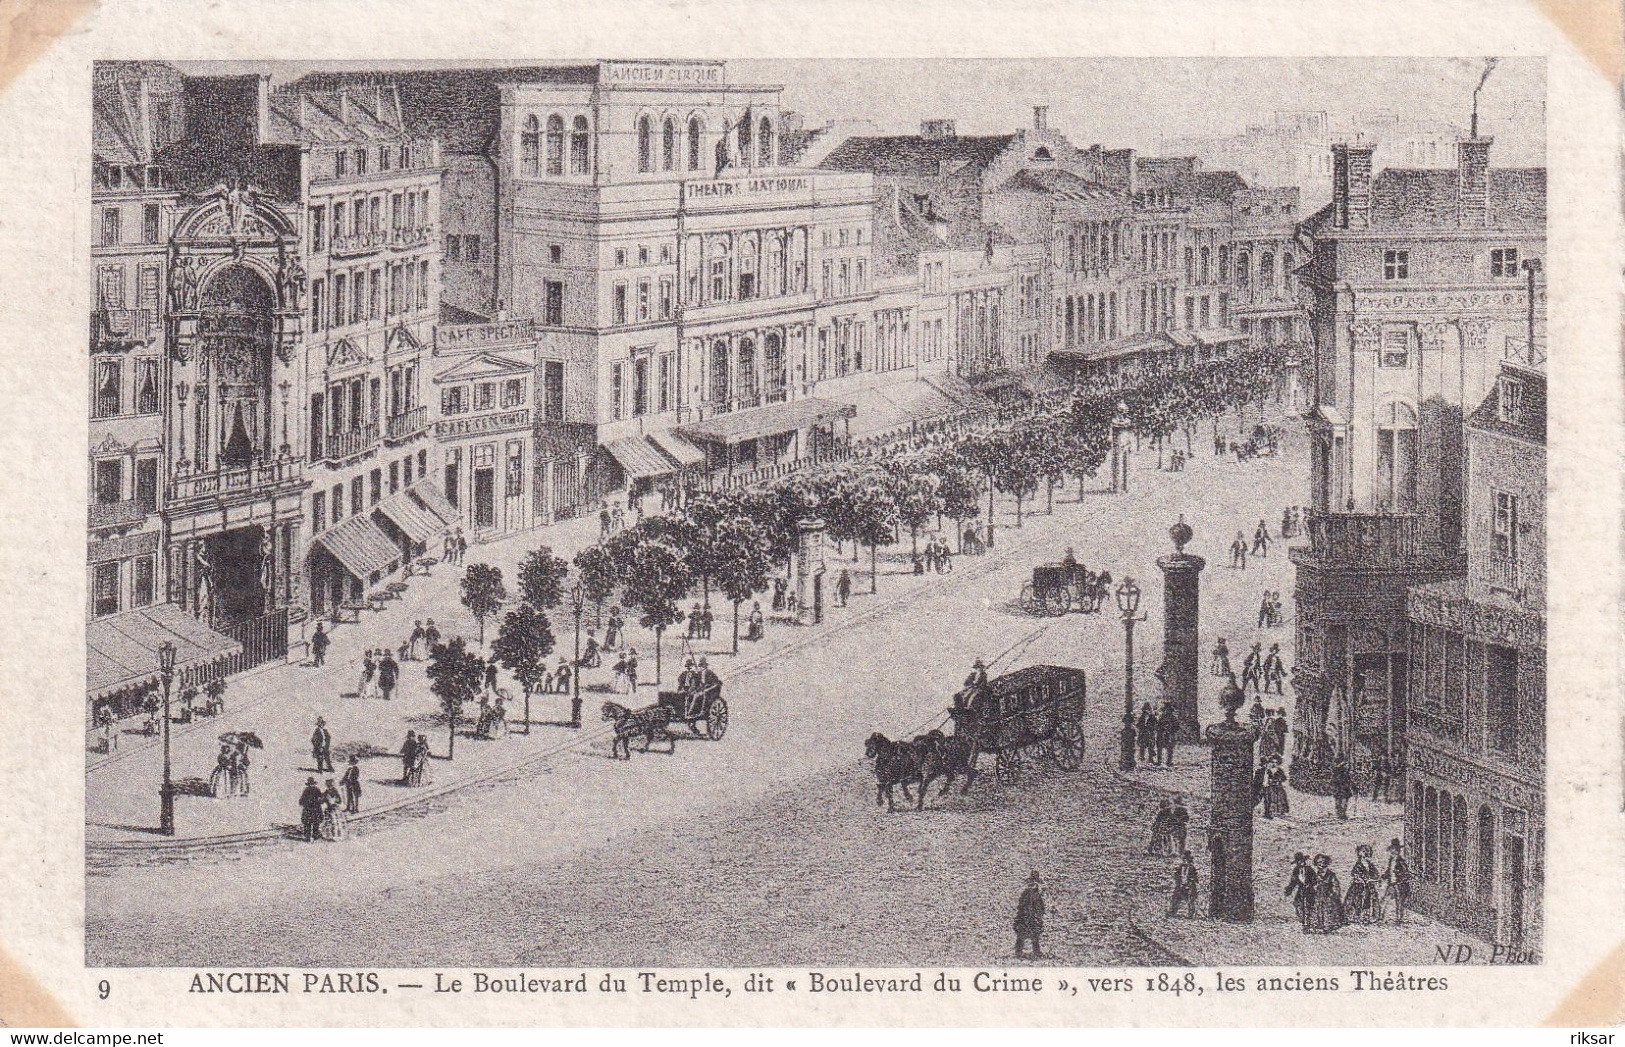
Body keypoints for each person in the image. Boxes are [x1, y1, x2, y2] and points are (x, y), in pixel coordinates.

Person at [1306, 854, 1347, 933]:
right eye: (1319, 863)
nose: (1321, 864)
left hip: (1329, 896)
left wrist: (1334, 894)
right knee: (1317, 909)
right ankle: (1318, 925)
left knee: (1328, 911)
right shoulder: (1316, 874)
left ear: (1326, 863)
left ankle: (1329, 926)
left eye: (1323, 862)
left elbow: (1336, 885)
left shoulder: (1331, 875)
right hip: (1318, 895)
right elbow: (1313, 883)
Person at [1345, 845, 1382, 924]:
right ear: (1359, 853)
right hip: (1358, 886)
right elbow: (1354, 874)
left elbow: (1376, 875)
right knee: (1357, 901)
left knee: (1368, 901)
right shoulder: (1358, 864)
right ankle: (1355, 917)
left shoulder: (1370, 864)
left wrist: (1373, 879)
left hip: (1368, 886)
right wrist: (1360, 879)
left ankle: (1366, 917)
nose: (1365, 853)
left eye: (1367, 851)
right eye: (1363, 851)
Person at [1014, 871, 1045, 959]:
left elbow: (1041, 907)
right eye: (1031, 883)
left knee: (1035, 935)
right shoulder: (1026, 894)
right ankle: (1018, 952)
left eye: (1035, 883)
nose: (1033, 885)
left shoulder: (1037, 895)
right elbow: (1020, 905)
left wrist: (1039, 914)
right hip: (1024, 917)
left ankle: (1036, 952)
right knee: (1021, 935)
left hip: (1033, 917)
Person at [1382, 838, 1413, 924]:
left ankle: (1399, 919)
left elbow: (1406, 873)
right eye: (1391, 849)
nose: (1391, 851)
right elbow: (1389, 871)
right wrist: (1383, 877)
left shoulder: (1401, 861)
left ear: (1397, 850)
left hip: (1399, 885)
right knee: (1385, 898)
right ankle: (1382, 917)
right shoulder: (1391, 860)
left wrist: (1399, 878)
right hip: (1392, 884)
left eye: (1393, 849)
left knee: (1399, 902)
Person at [1285, 853, 1315, 933]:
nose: (1299, 863)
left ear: (1303, 860)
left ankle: (1307, 925)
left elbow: (1315, 879)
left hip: (1309, 891)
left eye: (1300, 861)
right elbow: (1293, 881)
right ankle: (1303, 922)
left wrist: (1310, 884)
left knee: (1308, 907)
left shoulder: (1309, 869)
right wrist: (1289, 890)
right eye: (1298, 861)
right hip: (1301, 891)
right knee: (1297, 905)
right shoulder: (1296, 870)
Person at [1170, 851, 1199, 918]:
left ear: (1190, 860)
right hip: (1181, 886)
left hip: (1189, 886)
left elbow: (1195, 878)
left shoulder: (1192, 868)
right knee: (1176, 898)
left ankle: (1191, 914)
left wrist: (1190, 883)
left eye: (1187, 860)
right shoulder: (1180, 867)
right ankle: (1172, 911)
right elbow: (1176, 876)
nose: (1185, 861)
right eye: (1184, 860)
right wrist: (1179, 883)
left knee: (1190, 900)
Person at [298, 777, 325, 842]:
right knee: (315, 822)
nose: (311, 785)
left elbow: (302, 800)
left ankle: (308, 836)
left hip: (309, 809)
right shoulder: (316, 789)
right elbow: (321, 798)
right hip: (316, 809)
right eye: (311, 784)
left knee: (308, 823)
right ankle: (314, 835)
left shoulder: (306, 790)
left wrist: (302, 803)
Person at [1331, 756, 1353, 820]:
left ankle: (1342, 813)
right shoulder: (1338, 774)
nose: (1347, 767)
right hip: (1340, 789)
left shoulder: (1346, 773)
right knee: (1339, 801)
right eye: (1345, 766)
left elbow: (1349, 781)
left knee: (1344, 801)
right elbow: (1335, 781)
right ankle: (1340, 813)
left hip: (1344, 789)